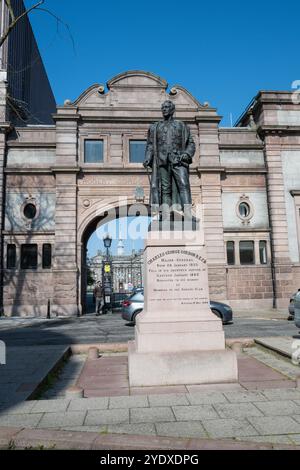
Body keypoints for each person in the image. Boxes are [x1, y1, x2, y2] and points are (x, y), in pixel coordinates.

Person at [143, 100, 195, 219]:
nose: (164, 109)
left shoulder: (182, 125)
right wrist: (147, 158)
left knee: (184, 184)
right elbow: (150, 145)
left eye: (166, 107)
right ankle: (166, 214)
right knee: (165, 189)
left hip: (178, 160)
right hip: (162, 161)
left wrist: (186, 154)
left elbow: (190, 143)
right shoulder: (155, 127)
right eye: (163, 107)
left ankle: (187, 213)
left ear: (172, 110)